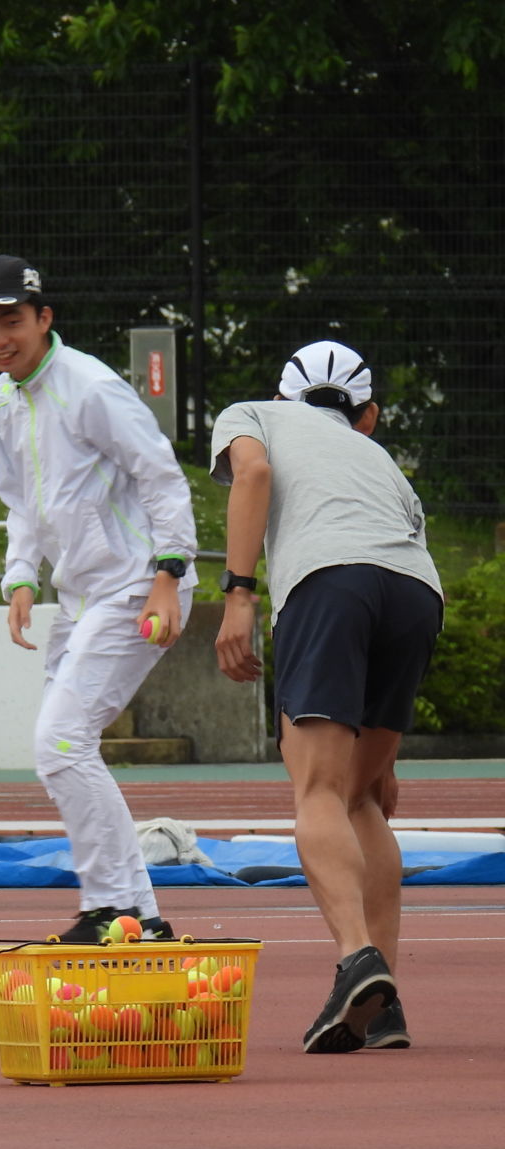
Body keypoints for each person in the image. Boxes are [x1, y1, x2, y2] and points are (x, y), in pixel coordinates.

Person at [211, 341, 442, 1054]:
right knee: (360, 796)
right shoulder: (380, 460)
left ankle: (356, 960)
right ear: (367, 415)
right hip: (417, 592)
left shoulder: (254, 414)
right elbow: (401, 557)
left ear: (283, 394)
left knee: (316, 789)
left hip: (329, 580)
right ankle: (385, 1009)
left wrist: (238, 595)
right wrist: (385, 759)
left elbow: (253, 473)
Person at [0, 255, 198, 943]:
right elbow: (19, 501)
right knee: (68, 747)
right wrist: (20, 577)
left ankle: (111, 906)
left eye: (11, 321)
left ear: (44, 318)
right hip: (78, 597)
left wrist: (168, 573)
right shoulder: (2, 398)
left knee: (60, 745)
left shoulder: (90, 386)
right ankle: (139, 916)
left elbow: (162, 476)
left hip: (135, 584)